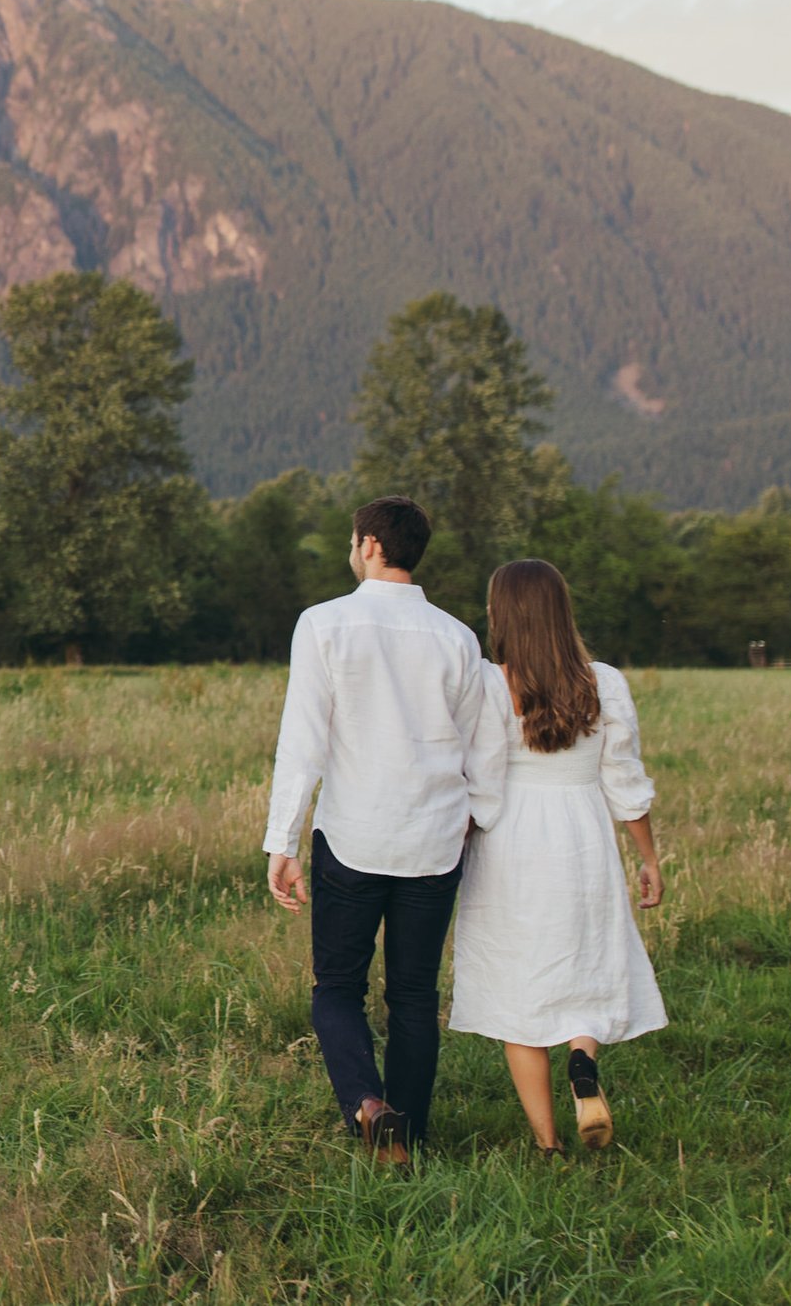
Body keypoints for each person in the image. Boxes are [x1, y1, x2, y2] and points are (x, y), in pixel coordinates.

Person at [262, 496, 506, 1163]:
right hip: (433, 842)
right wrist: (472, 821)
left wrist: (282, 841)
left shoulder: (324, 623)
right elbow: (481, 753)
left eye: (352, 539)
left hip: (353, 837)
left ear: (369, 543)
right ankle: (411, 1135)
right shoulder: (458, 637)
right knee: (414, 995)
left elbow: (302, 741)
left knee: (337, 987)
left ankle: (369, 1108)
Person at [448, 559, 665, 1154]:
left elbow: (480, 782)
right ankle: (582, 1060)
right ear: (561, 611)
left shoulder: (492, 684)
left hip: (511, 846)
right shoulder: (606, 682)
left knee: (519, 987)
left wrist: (459, 835)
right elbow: (625, 780)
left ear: (502, 616)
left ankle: (547, 1146)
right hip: (583, 838)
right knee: (587, 963)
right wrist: (648, 860)